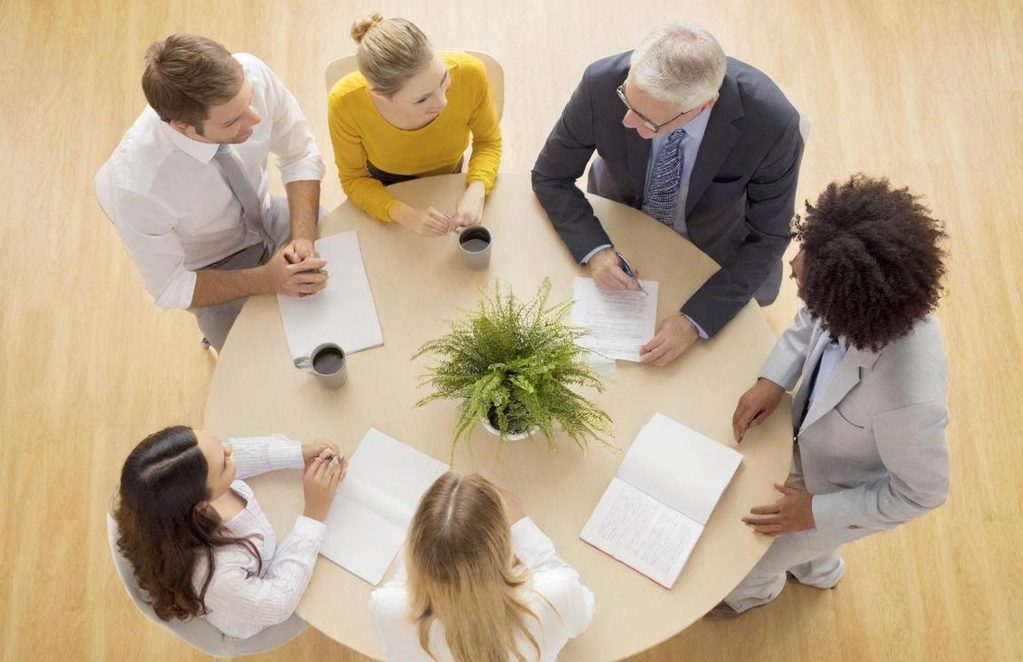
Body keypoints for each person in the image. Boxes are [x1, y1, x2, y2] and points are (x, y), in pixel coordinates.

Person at [711, 175, 950, 617]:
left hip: (839, 489)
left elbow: (922, 494)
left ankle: (753, 593)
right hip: (807, 447)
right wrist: (773, 379)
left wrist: (818, 512)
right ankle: (820, 570)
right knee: (811, 549)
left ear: (844, 306)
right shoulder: (848, 288)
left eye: (805, 287)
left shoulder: (909, 400)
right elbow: (809, 325)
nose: (792, 270)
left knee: (754, 559)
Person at [532, 22, 804, 366]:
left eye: (648, 121)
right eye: (626, 101)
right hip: (619, 221)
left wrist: (695, 321)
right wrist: (597, 251)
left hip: (708, 250)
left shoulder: (771, 123)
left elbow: (770, 236)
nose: (628, 121)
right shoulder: (601, 83)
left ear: (703, 106)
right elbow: (550, 174)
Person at [96, 34, 329, 351]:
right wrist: (266, 279)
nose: (256, 119)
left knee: (351, 263)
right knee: (257, 364)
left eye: (249, 101)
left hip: (270, 215)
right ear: (183, 127)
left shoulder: (251, 73)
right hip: (214, 266)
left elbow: (299, 155)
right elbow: (170, 286)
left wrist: (303, 237)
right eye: (234, 120)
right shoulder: (137, 187)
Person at [113, 426, 347, 638]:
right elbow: (279, 602)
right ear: (202, 506)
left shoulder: (175, 500)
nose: (229, 450)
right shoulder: (217, 575)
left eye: (217, 444)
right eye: (223, 465)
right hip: (252, 606)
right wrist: (314, 514)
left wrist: (297, 453)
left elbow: (230, 455)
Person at [369, 472, 595, 661]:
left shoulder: (387, 607)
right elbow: (583, 613)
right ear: (503, 547)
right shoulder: (549, 597)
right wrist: (523, 528)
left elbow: (406, 576)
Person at [328, 14, 502, 237]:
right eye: (422, 100)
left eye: (444, 80)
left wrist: (477, 187)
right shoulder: (345, 103)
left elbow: (488, 142)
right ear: (378, 96)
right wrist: (403, 214)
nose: (443, 102)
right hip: (386, 185)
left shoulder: (470, 73)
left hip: (450, 173)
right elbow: (354, 179)